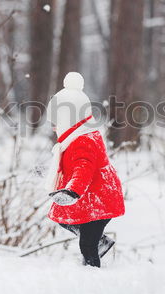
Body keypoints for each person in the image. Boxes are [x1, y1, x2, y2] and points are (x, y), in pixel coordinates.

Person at [46, 72, 125, 267]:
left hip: (100, 198)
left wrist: (73, 190)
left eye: (56, 122)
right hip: (89, 196)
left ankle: (92, 273)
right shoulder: (73, 140)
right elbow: (68, 166)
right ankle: (101, 241)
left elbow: (83, 168)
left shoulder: (84, 141)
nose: (54, 128)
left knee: (87, 244)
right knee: (63, 218)